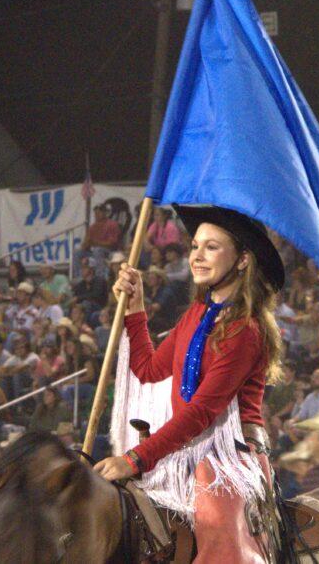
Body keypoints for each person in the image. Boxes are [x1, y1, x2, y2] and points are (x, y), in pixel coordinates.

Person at [94, 205, 288, 562]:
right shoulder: (195, 316)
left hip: (230, 456)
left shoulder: (246, 330)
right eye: (195, 246)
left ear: (243, 260)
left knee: (215, 521)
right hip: (186, 449)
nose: (197, 255)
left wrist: (135, 458)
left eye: (211, 247)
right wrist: (136, 308)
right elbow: (149, 369)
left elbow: (202, 412)